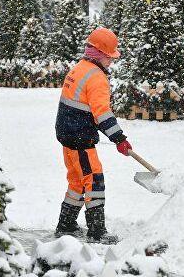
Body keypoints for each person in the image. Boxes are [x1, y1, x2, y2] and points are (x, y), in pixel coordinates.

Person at [54, 27, 131, 244]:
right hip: (80, 138)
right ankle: (97, 231)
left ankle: (66, 224)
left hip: (67, 135)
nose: (111, 62)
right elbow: (102, 113)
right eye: (110, 57)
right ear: (100, 54)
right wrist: (119, 139)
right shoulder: (96, 78)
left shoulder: (79, 68)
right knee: (94, 180)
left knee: (77, 180)